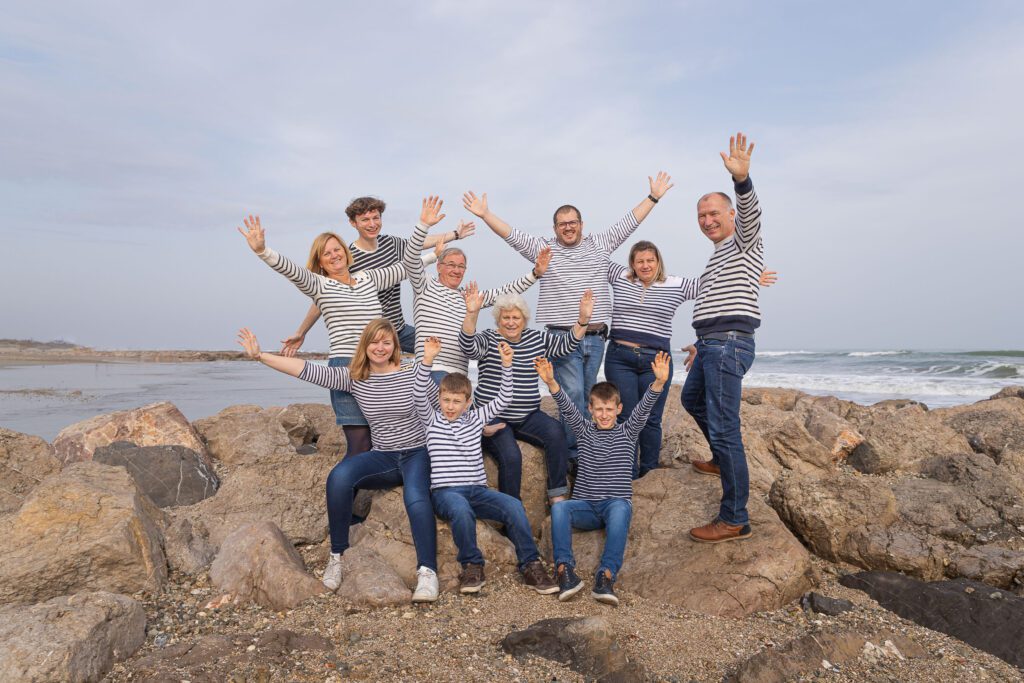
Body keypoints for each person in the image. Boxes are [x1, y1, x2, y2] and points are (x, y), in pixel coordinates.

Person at [463, 172, 673, 455]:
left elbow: (629, 222)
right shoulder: (544, 250)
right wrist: (486, 214)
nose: (568, 227)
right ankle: (574, 455)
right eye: (562, 224)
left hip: (597, 337)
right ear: (555, 228)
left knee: (588, 396)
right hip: (562, 338)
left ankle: (585, 448)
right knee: (572, 395)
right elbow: (511, 235)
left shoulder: (600, 244)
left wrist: (653, 197)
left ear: (581, 225)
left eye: (573, 222)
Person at [235, 321, 440, 603]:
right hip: (384, 456)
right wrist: (260, 356)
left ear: (394, 347)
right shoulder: (354, 377)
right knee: (339, 478)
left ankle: (427, 573)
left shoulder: (413, 373)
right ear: (365, 345)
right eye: (374, 342)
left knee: (416, 498)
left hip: (418, 453)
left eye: (386, 342)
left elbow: (443, 413)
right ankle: (338, 556)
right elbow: (305, 370)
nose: (380, 348)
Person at [237, 216, 418, 456]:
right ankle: (346, 490)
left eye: (336, 249)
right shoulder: (319, 284)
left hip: (380, 365)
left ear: (345, 251)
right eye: (326, 253)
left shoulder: (368, 279)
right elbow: (291, 270)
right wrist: (262, 251)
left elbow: (405, 268)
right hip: (346, 367)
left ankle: (379, 484)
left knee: (385, 436)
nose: (334, 255)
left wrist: (438, 253)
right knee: (361, 442)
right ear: (319, 261)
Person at [414, 337, 559, 595]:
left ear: (468, 402)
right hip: (447, 492)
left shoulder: (476, 419)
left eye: (457, 401)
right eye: (446, 400)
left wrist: (506, 364)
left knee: (513, 505)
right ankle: (472, 565)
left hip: (478, 491)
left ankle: (531, 565)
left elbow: (504, 397)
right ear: (439, 398)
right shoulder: (431, 419)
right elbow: (417, 391)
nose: (450, 407)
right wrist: (427, 359)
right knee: (460, 509)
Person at [535, 353, 670, 606]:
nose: (604, 414)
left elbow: (645, 408)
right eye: (599, 409)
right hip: (585, 506)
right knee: (560, 507)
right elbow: (565, 405)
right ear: (591, 409)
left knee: (621, 507)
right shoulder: (585, 430)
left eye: (609, 409)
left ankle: (605, 577)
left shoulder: (628, 431)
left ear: (619, 409)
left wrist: (659, 383)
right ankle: (565, 572)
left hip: (613, 506)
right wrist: (552, 382)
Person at [681, 132, 763, 544]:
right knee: (690, 400)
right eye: (701, 216)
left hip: (729, 345)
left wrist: (742, 180)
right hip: (714, 344)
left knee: (727, 427)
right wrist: (700, 342)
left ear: (730, 215)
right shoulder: (718, 257)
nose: (707, 220)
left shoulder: (743, 241)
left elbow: (751, 216)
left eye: (713, 213)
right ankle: (718, 457)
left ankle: (734, 517)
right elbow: (718, 303)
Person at [281, 196, 475, 356]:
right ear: (353, 223)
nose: (372, 224)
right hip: (372, 336)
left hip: (398, 328)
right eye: (365, 220)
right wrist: (301, 331)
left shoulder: (390, 243)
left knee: (441, 349)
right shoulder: (348, 258)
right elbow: (323, 297)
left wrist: (456, 234)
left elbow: (420, 243)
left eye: (376, 218)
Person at [460, 284, 593, 504]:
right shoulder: (488, 339)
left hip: (528, 415)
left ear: (524, 320)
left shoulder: (536, 339)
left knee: (556, 433)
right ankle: (511, 510)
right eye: (506, 318)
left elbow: (567, 345)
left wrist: (583, 319)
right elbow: (467, 346)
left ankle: (557, 495)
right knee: (512, 457)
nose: (511, 322)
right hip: (494, 417)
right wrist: (472, 313)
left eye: (516, 318)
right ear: (498, 320)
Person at [404, 196, 549, 377]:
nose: (456, 270)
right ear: (439, 266)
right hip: (430, 368)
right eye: (450, 265)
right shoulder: (424, 284)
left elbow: (505, 292)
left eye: (461, 266)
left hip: (458, 374)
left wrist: (534, 274)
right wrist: (423, 225)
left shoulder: (469, 297)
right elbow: (409, 259)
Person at [603, 241, 698, 478]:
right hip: (619, 359)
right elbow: (591, 259)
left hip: (656, 361)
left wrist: (702, 342)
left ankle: (648, 473)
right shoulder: (620, 277)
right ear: (632, 264)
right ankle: (627, 473)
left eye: (650, 260)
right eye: (640, 261)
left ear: (658, 262)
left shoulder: (676, 284)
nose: (645, 266)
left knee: (650, 419)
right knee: (625, 416)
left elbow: (712, 289)